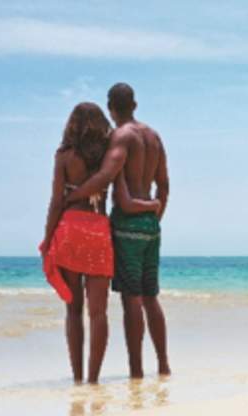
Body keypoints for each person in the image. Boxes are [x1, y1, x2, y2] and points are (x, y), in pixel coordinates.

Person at [41, 102, 160, 384]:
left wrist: (48, 239)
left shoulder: (64, 157)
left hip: (71, 229)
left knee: (73, 310)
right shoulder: (107, 157)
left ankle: (78, 378)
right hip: (99, 233)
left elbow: (56, 202)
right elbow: (116, 190)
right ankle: (94, 379)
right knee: (98, 313)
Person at [66, 83, 171, 377]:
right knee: (151, 296)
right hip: (151, 226)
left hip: (127, 225)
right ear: (134, 105)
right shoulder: (154, 137)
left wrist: (72, 196)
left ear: (111, 109)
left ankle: (136, 370)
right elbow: (163, 185)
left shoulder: (120, 138)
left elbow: (105, 176)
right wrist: (154, 217)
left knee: (132, 299)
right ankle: (163, 365)